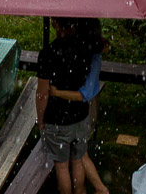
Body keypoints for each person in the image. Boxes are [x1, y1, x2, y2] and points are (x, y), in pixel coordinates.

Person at [36, 18, 110, 194]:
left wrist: (40, 118)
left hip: (57, 119)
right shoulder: (86, 47)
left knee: (62, 168)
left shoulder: (48, 53)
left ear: (55, 24)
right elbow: (103, 45)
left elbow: (42, 93)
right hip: (81, 115)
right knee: (77, 160)